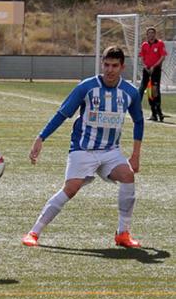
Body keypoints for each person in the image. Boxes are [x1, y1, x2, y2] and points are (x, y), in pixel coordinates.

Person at [21, 46, 144, 248]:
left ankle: (123, 234)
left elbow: (139, 121)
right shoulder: (86, 87)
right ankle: (34, 232)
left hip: (111, 151)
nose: (110, 70)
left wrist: (135, 154)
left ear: (122, 67)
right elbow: (63, 114)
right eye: (106, 65)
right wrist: (41, 137)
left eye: (114, 66)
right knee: (71, 188)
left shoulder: (130, 92)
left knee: (128, 176)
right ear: (101, 64)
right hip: (83, 149)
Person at [138, 27, 167, 122]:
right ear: (147, 35)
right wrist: (145, 66)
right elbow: (142, 57)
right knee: (143, 88)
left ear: (155, 34)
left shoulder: (160, 43)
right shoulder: (144, 44)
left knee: (155, 91)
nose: (151, 34)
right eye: (149, 33)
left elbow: (162, 56)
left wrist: (154, 66)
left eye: (152, 33)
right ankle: (137, 107)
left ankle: (159, 112)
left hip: (155, 70)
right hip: (146, 69)